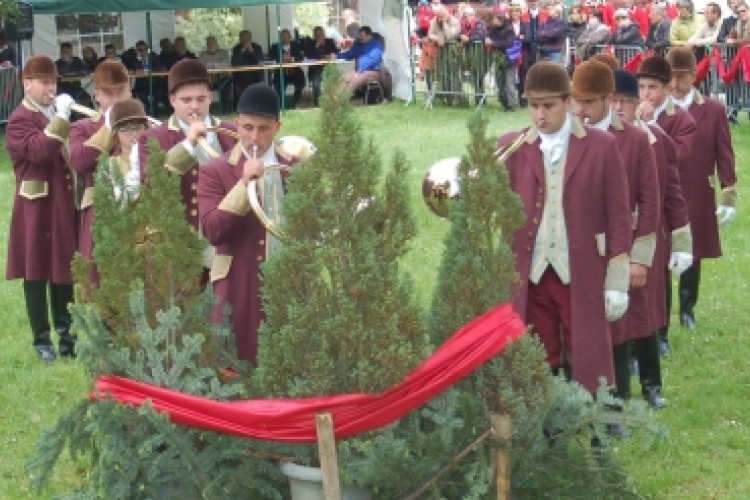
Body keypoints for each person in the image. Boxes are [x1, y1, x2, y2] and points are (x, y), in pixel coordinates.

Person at [496, 61, 632, 394]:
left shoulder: (601, 146)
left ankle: (597, 424)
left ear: (569, 103)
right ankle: (548, 425)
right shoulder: (512, 146)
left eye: (548, 106)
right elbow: (499, 210)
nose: (539, 115)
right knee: (538, 354)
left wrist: (617, 281)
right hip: (532, 272)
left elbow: (618, 214)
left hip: (580, 269)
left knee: (588, 352)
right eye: (533, 106)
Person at [571, 60, 659, 402]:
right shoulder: (570, 135)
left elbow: (649, 202)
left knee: (621, 328)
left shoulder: (635, 139)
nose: (581, 109)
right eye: (576, 101)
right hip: (581, 251)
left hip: (620, 248)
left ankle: (619, 402)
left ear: (608, 99)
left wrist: (639, 259)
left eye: (588, 102)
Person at [197, 84, 301, 363]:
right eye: (247, 127)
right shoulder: (214, 170)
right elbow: (213, 231)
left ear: (278, 127)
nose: (254, 137)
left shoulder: (295, 166)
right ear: (237, 124)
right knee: (236, 362)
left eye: (264, 128)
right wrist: (244, 184)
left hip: (287, 279)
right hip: (237, 284)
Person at [610, 67, 692, 409]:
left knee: (644, 313)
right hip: (611, 241)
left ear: (638, 102)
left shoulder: (656, 140)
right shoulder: (599, 139)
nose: (619, 109)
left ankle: (651, 384)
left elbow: (671, 192)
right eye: (613, 101)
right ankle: (618, 382)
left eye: (626, 102)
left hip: (644, 237)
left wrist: (682, 240)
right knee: (614, 314)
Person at [138, 59, 238, 283]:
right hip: (180, 245)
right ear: (172, 100)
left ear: (211, 98)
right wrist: (188, 144)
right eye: (186, 100)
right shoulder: (153, 138)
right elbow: (151, 183)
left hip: (226, 243)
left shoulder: (230, 132)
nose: (194, 106)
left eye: (201, 99)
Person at [5, 56, 77, 362]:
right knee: (35, 271)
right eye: (44, 82)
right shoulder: (20, 118)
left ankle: (68, 339)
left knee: (63, 268)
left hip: (61, 201)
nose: (51, 88)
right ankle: (42, 342)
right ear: (27, 84)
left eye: (53, 82)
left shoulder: (51, 115)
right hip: (35, 207)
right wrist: (61, 118)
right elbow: (41, 151)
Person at [666, 47, 737, 331]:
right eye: (670, 77)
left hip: (696, 188)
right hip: (664, 189)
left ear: (694, 76)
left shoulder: (713, 109)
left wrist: (729, 192)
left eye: (681, 77)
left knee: (692, 252)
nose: (675, 84)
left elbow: (724, 152)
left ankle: (687, 308)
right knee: (659, 253)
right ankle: (659, 317)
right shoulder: (656, 108)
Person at [635, 55, 697, 355]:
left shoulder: (682, 120)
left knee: (662, 272)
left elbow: (678, 156)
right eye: (642, 87)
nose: (646, 94)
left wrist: (649, 126)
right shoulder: (627, 115)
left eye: (652, 87)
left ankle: (661, 333)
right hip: (641, 203)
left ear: (666, 89)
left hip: (669, 202)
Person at [69, 60, 133, 275]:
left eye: (121, 92)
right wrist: (109, 125)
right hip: (99, 211)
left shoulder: (147, 126)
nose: (116, 99)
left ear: (130, 90)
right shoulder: (82, 127)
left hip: (139, 209)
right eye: (109, 93)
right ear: (97, 95)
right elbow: (79, 161)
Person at [104, 99, 150, 206]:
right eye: (125, 129)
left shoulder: (156, 158)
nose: (134, 133)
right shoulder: (110, 165)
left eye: (138, 128)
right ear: (115, 134)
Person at [486, 12, 519, 110]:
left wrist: (494, 43)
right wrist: (488, 40)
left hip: (509, 58)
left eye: (495, 19)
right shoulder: (493, 29)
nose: (493, 21)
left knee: (509, 82)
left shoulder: (509, 29)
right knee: (499, 81)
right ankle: (504, 101)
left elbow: (508, 43)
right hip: (498, 58)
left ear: (500, 20)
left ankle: (511, 104)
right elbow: (489, 37)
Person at [337, 25, 384, 94]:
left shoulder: (376, 45)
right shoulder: (358, 44)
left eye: (362, 36)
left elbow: (372, 60)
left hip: (373, 71)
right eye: (359, 35)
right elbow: (349, 54)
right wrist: (336, 56)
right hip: (359, 71)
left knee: (355, 81)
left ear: (369, 36)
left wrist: (359, 72)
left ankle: (343, 100)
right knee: (343, 79)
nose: (359, 37)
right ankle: (333, 99)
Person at [268, 28, 306, 109]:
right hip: (281, 72)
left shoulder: (296, 45)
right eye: (283, 37)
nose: (285, 39)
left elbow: (301, 57)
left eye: (287, 37)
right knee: (279, 87)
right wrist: (281, 59)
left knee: (300, 85)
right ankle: (282, 106)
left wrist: (291, 59)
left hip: (295, 72)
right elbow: (271, 58)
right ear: (280, 38)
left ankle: (292, 105)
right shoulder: (275, 47)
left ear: (290, 37)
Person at [305, 26, 339, 106]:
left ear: (324, 34)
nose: (320, 35)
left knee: (334, 82)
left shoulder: (330, 41)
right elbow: (309, 56)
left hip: (329, 67)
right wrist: (316, 45)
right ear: (314, 35)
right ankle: (318, 103)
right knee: (316, 83)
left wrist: (330, 55)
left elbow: (336, 52)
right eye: (317, 34)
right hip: (316, 68)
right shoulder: (310, 43)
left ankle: (332, 101)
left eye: (321, 33)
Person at [231, 30, 266, 107]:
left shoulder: (257, 47)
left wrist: (251, 51)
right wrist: (242, 51)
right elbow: (234, 63)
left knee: (261, 87)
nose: (246, 40)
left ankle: (258, 106)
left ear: (251, 38)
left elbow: (261, 61)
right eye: (244, 38)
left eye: (248, 38)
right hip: (241, 76)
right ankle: (245, 107)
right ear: (240, 40)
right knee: (238, 89)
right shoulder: (236, 49)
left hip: (256, 75)